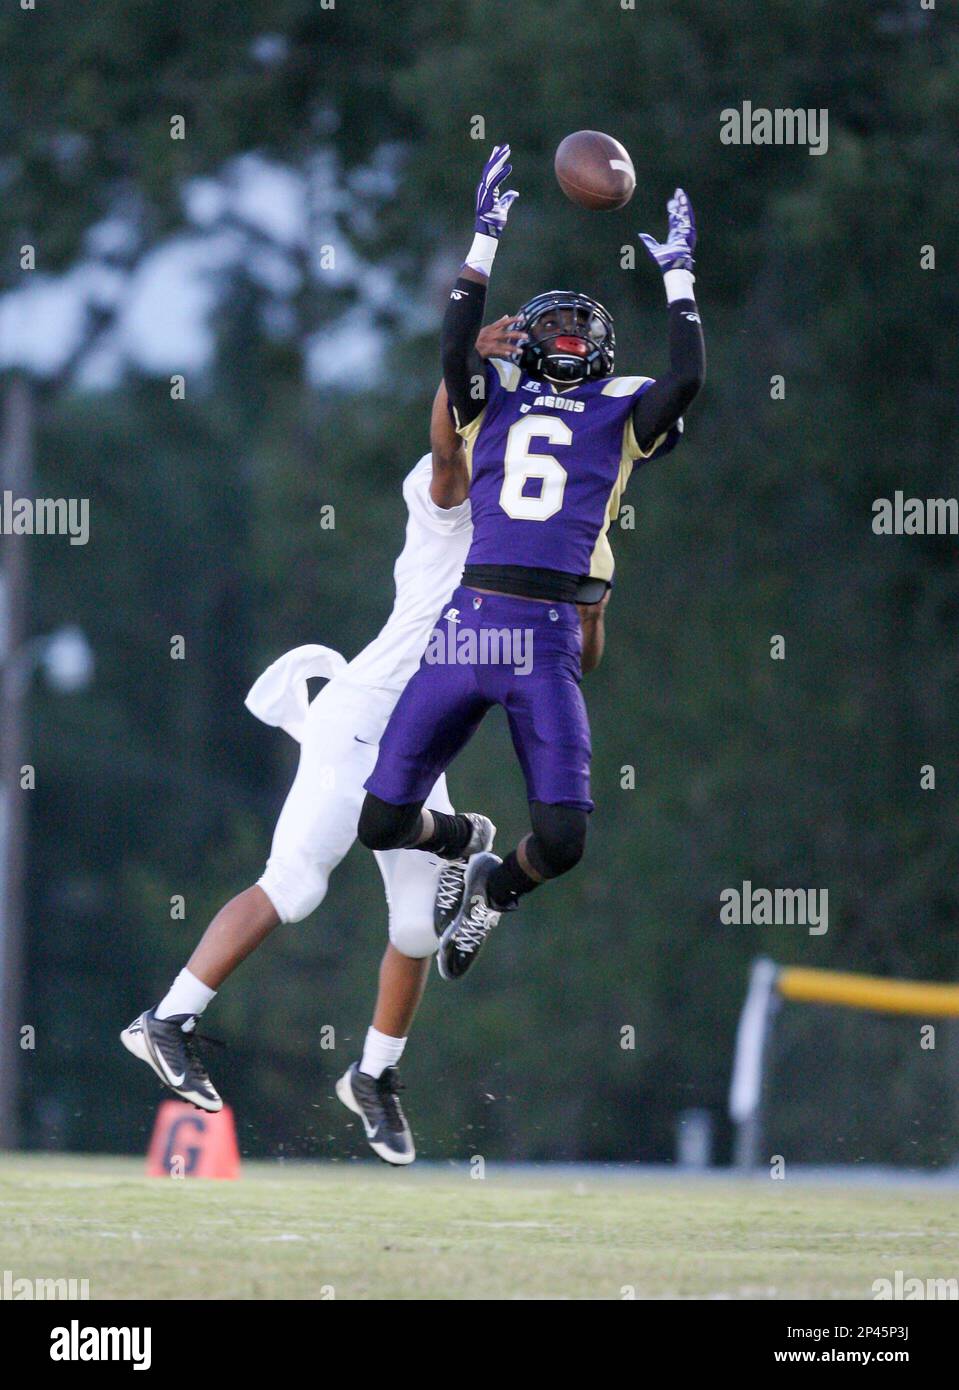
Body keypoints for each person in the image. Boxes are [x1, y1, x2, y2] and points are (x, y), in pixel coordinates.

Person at [121, 367, 609, 1165]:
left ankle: (372, 1076)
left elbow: (574, 658)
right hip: (364, 715)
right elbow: (448, 451)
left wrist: (589, 608)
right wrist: (460, 366)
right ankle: (167, 1019)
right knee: (297, 885)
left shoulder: (557, 522)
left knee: (416, 926)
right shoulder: (458, 490)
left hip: (425, 731)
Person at [357, 144, 705, 981]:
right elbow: (452, 354)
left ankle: (495, 890)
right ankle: (461, 838)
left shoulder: (621, 415)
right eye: (552, 325)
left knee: (563, 839)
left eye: (580, 327)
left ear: (604, 352)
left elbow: (688, 379)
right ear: (526, 344)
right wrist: (481, 242)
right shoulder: (493, 403)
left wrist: (681, 279)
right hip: (471, 623)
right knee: (379, 821)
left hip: (545, 634)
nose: (566, 336)